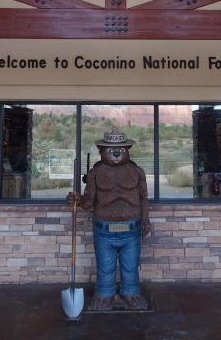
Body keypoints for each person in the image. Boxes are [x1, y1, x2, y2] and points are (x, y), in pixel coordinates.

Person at [67, 127, 151, 311]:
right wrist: (79, 201)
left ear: (127, 150)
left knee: (131, 265)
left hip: (131, 228)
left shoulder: (137, 171)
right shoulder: (95, 173)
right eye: (111, 149)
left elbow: (144, 197)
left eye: (121, 149)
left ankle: (131, 293)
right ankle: (105, 294)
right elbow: (89, 201)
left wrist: (146, 219)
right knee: (105, 266)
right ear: (101, 151)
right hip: (104, 230)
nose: (116, 153)